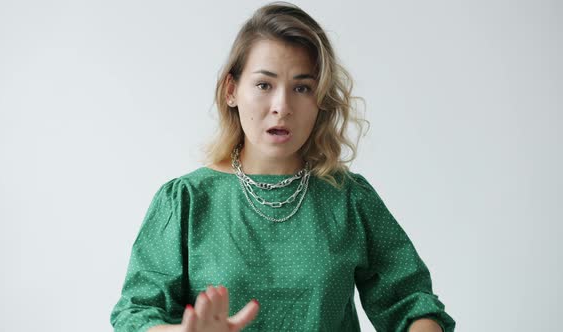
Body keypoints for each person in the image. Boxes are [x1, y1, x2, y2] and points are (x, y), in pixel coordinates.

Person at [110, 2, 456, 331]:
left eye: (302, 87)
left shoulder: (349, 198)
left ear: (320, 99)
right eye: (264, 84)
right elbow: (136, 313)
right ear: (232, 90)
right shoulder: (185, 200)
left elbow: (411, 302)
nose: (282, 106)